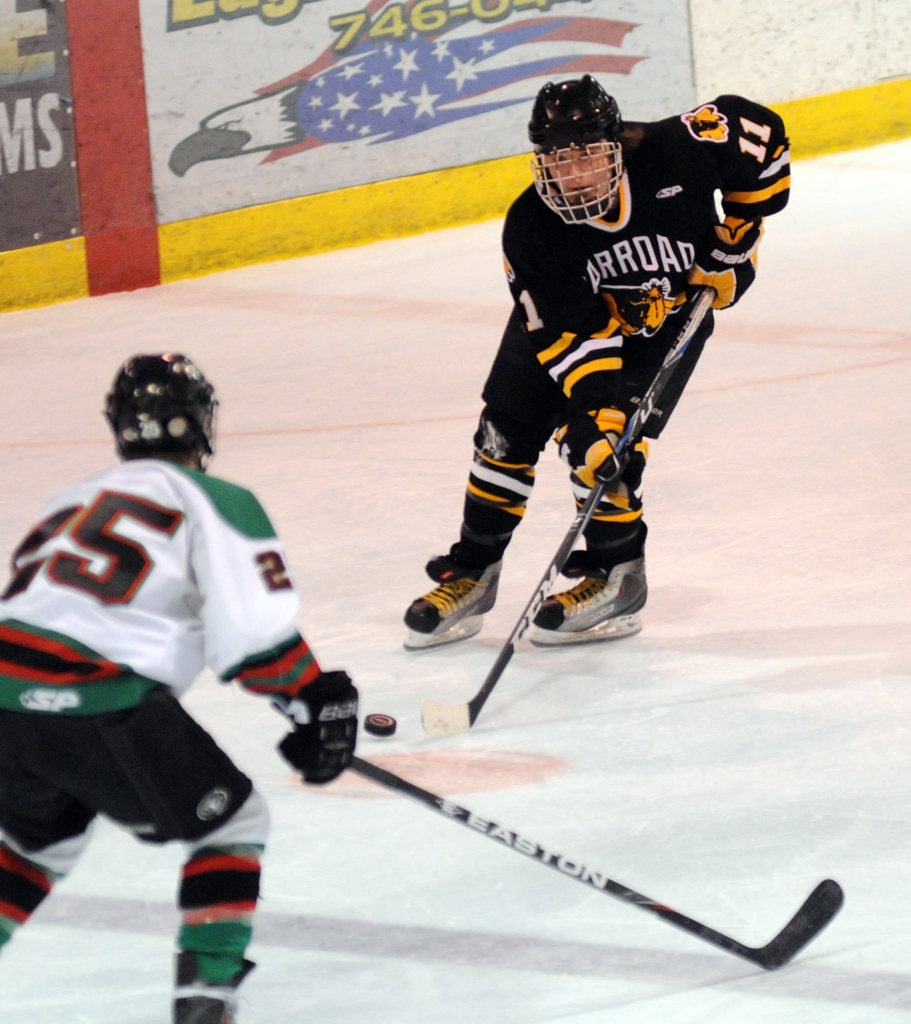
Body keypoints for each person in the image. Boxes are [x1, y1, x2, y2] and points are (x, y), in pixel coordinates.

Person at [0, 354, 358, 1024]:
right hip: (96, 698)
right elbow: (253, 636)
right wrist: (314, 699)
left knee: (34, 845)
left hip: (5, 694)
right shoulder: (214, 499)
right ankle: (206, 997)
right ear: (200, 423)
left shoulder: (73, 496)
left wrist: (301, 705)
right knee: (235, 823)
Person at [404, 75, 790, 649]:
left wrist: (737, 238)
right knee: (504, 434)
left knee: (607, 455)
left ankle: (619, 576)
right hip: (573, 323)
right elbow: (569, 334)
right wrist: (596, 410)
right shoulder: (532, 227)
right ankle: (474, 574)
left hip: (661, 323)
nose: (574, 172)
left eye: (586, 154)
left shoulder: (677, 151)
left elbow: (761, 134)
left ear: (616, 146)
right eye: (558, 160)